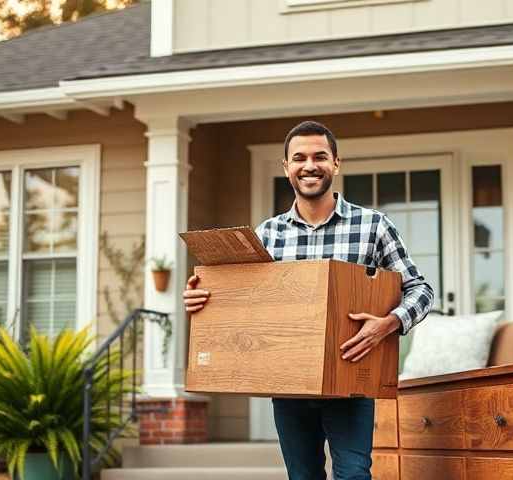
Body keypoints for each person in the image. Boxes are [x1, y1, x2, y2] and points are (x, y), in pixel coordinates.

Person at [183, 120, 433, 480]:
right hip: (289, 386)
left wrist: (389, 324)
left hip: (349, 380)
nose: (309, 165)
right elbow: (244, 302)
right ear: (286, 167)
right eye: (299, 158)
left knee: (353, 475)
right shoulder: (268, 234)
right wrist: (205, 298)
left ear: (336, 163)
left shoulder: (373, 226)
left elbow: (421, 290)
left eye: (320, 156)